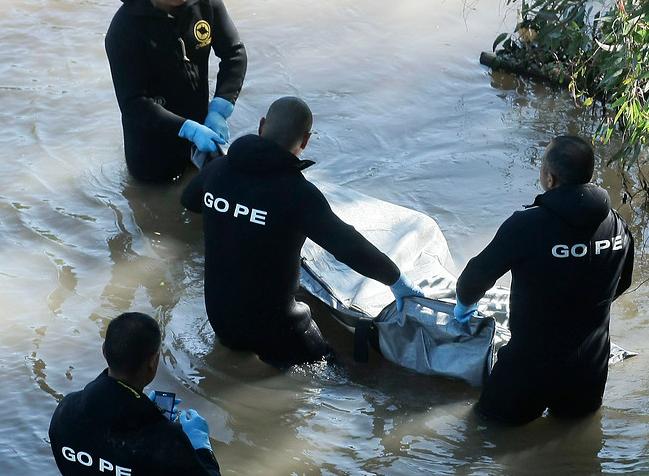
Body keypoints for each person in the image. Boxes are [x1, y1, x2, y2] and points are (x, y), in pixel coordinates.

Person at [181, 96, 423, 367]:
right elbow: (348, 247)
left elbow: (189, 200)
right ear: (305, 141)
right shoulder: (297, 194)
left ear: (261, 126)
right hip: (278, 328)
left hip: (220, 320)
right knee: (338, 375)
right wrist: (396, 279)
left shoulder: (218, 170)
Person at [454, 135, 634, 425]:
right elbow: (622, 283)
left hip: (528, 371)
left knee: (481, 435)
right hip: (589, 370)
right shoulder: (617, 225)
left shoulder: (526, 225)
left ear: (550, 179)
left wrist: (463, 308)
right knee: (575, 456)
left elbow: (474, 278)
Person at [49, 312, 220, 476]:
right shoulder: (166, 440)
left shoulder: (66, 410)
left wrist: (144, 410)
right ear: (153, 362)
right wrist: (202, 448)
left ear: (104, 351)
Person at [105, 0, 247, 182]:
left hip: (203, 132)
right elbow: (133, 103)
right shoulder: (125, 29)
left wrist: (221, 107)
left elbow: (234, 54)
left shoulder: (206, 5)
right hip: (152, 148)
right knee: (153, 204)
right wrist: (188, 130)